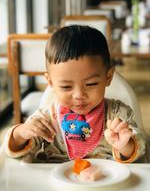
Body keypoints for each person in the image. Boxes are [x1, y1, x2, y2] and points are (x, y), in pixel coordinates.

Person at [4, 25, 146, 163]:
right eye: (66, 87)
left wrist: (124, 145)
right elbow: (16, 151)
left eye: (91, 84)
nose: (79, 95)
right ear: (51, 82)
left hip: (104, 182)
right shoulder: (47, 118)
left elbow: (140, 147)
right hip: (55, 183)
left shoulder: (117, 114)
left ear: (108, 77)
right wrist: (21, 133)